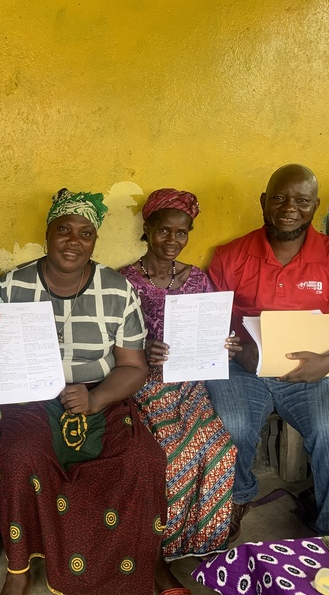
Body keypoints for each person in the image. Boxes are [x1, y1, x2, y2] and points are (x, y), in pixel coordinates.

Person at [0, 188, 185, 595]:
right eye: (64, 230)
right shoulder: (12, 286)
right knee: (20, 457)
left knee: (144, 460)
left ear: (94, 240)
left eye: (85, 233)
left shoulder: (116, 290)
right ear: (48, 233)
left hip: (101, 394)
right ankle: (19, 570)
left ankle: (149, 559)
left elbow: (133, 367)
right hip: (33, 396)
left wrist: (94, 399)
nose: (74, 241)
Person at [206, 164, 329, 539]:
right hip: (245, 369)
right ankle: (238, 499)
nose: (289, 207)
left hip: (316, 372)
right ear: (264, 202)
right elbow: (211, 319)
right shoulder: (231, 256)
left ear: (315, 206)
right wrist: (241, 354)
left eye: (302, 200)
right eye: (279, 198)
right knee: (232, 428)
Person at [118, 188, 237, 559]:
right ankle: (162, 545)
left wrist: (225, 343)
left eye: (182, 232)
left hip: (190, 381)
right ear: (147, 228)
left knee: (220, 448)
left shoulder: (197, 279)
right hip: (144, 383)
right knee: (175, 451)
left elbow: (213, 328)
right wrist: (143, 351)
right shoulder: (123, 281)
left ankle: (203, 541)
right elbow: (111, 342)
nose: (173, 240)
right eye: (164, 231)